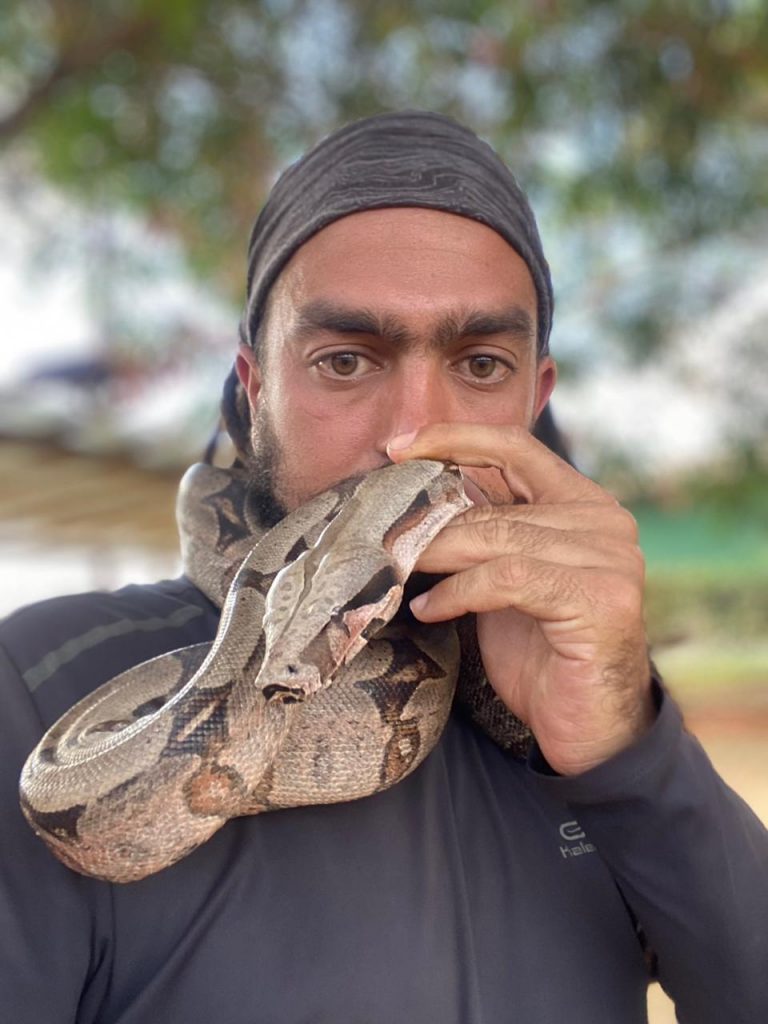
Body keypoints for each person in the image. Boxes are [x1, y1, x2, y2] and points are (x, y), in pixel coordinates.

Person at [1, 111, 766, 1024]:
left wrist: (626, 752)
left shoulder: (587, 695)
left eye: (481, 363)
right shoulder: (37, 687)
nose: (411, 439)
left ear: (535, 397)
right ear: (256, 389)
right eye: (345, 360)